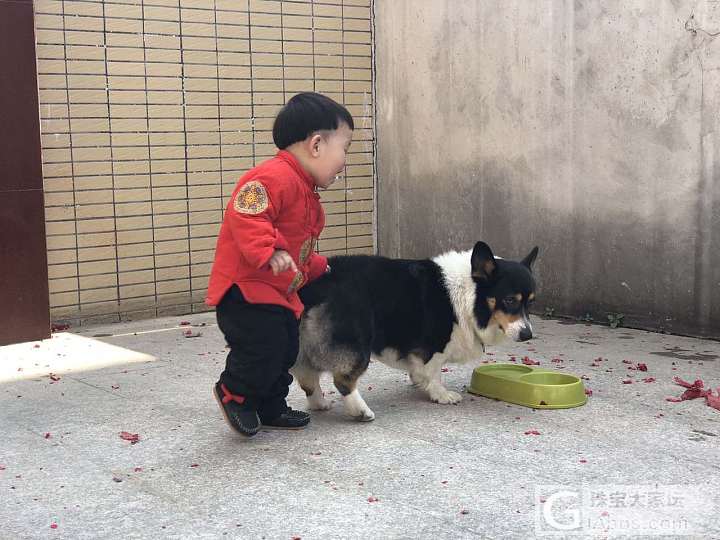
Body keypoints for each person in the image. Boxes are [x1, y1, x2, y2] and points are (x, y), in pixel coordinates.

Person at [205, 92, 354, 437]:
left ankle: (271, 404)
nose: (345, 161)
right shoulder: (272, 178)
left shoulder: (304, 191)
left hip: (277, 294)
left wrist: (318, 266)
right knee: (265, 347)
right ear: (317, 144)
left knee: (286, 349)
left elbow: (299, 248)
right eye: (344, 148)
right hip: (246, 293)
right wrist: (268, 251)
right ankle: (234, 393)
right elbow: (247, 214)